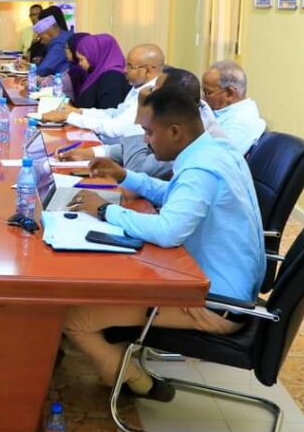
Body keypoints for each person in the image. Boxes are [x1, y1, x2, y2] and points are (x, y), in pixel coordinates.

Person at [63, 87, 265, 401]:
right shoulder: (214, 151)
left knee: (72, 318)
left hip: (213, 304)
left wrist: (104, 210)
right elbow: (174, 194)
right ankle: (114, 363)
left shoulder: (200, 170)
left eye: (149, 132)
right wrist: (125, 176)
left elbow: (168, 231)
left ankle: (138, 382)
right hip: (220, 287)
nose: (145, 140)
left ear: (174, 131)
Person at [60, 66, 213, 180]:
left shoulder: (188, 133)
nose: (149, 91)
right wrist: (92, 153)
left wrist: (141, 110)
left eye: (154, 90)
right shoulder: (186, 116)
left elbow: (137, 169)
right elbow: (142, 149)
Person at [42, 44, 164, 139]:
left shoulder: (152, 94)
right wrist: (80, 112)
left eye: (130, 66)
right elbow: (115, 113)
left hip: (122, 151)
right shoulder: (139, 86)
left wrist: (69, 116)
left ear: (148, 71)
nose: (124, 70)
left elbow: (115, 129)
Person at [201, 60, 267, 155]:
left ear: (229, 94)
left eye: (208, 92)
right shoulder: (222, 113)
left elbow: (212, 159)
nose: (203, 98)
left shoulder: (238, 125)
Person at [67, 34, 130, 110]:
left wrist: (74, 111)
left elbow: (107, 112)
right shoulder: (96, 73)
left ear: (93, 56)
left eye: (81, 59)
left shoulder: (112, 78)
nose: (79, 63)